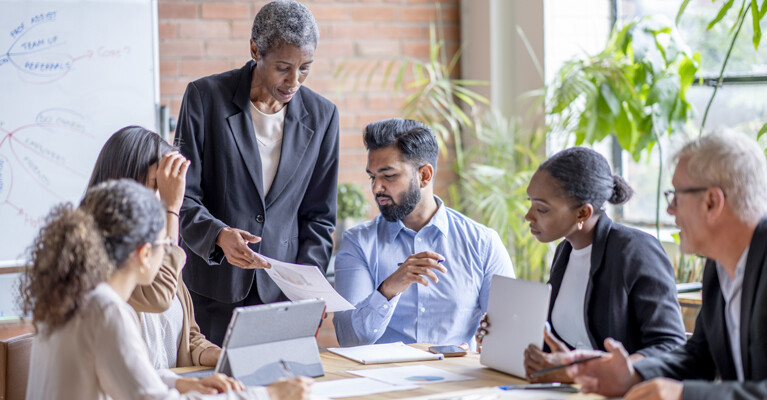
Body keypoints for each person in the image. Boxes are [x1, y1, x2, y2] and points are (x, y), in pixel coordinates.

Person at [22, 179, 312, 399]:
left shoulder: (75, 297)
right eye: (165, 245)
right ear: (144, 253)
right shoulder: (104, 309)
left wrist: (181, 382)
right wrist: (270, 394)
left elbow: (130, 374)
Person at [176, 0, 338, 345]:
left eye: (305, 68)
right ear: (255, 50)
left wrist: (309, 287)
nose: (294, 81)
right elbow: (182, 196)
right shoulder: (205, 98)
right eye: (283, 67)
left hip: (283, 296)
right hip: (215, 291)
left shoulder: (323, 116)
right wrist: (218, 235)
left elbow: (320, 216)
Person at [563, 131, 767, 400]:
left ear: (712, 201)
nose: (670, 210)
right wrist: (634, 374)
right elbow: (699, 355)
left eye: (676, 196)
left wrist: (683, 395)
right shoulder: (718, 266)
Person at [478, 147, 686, 383]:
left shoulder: (635, 250)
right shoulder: (565, 252)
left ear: (582, 214)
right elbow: (564, 346)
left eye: (542, 209)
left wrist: (581, 369)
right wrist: (503, 338)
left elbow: (670, 346)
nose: (529, 216)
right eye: (531, 203)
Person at [333, 118, 514, 348]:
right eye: (373, 177)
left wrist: (485, 344)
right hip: (385, 381)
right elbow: (349, 339)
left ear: (424, 176)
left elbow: (509, 333)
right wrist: (389, 288)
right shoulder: (358, 243)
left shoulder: (483, 243)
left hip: (456, 380)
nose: (376, 188)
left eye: (388, 176)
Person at [88, 125, 220, 368]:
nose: (161, 196)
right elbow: (158, 298)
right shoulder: (95, 251)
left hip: (170, 387)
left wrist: (216, 355)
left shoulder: (154, 242)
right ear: (125, 182)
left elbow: (189, 336)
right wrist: (172, 208)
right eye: (156, 185)